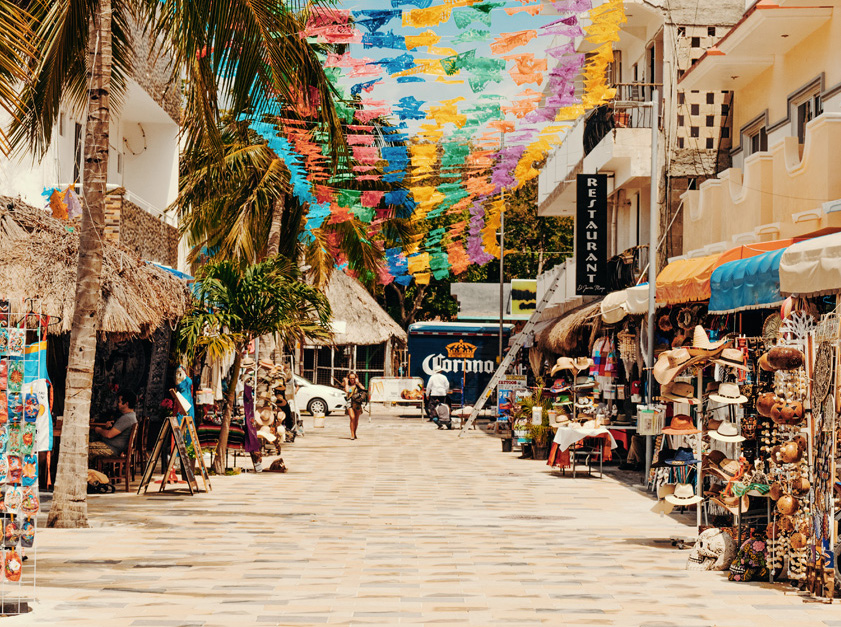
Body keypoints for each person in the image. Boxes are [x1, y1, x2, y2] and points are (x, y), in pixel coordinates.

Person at [90, 391, 138, 460]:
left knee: (84, 448)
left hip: (111, 449)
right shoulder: (131, 416)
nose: (117, 404)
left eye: (119, 401)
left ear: (126, 404)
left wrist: (98, 430)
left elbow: (109, 435)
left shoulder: (127, 418)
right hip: (113, 447)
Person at [343, 372, 365, 440]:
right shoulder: (347, 385)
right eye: (350, 378)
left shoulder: (357, 385)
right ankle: (352, 434)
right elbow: (347, 391)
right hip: (350, 402)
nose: (352, 380)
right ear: (348, 379)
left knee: (356, 419)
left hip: (357, 402)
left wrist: (358, 383)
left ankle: (354, 433)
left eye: (353, 378)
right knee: (352, 417)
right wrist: (346, 382)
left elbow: (363, 389)